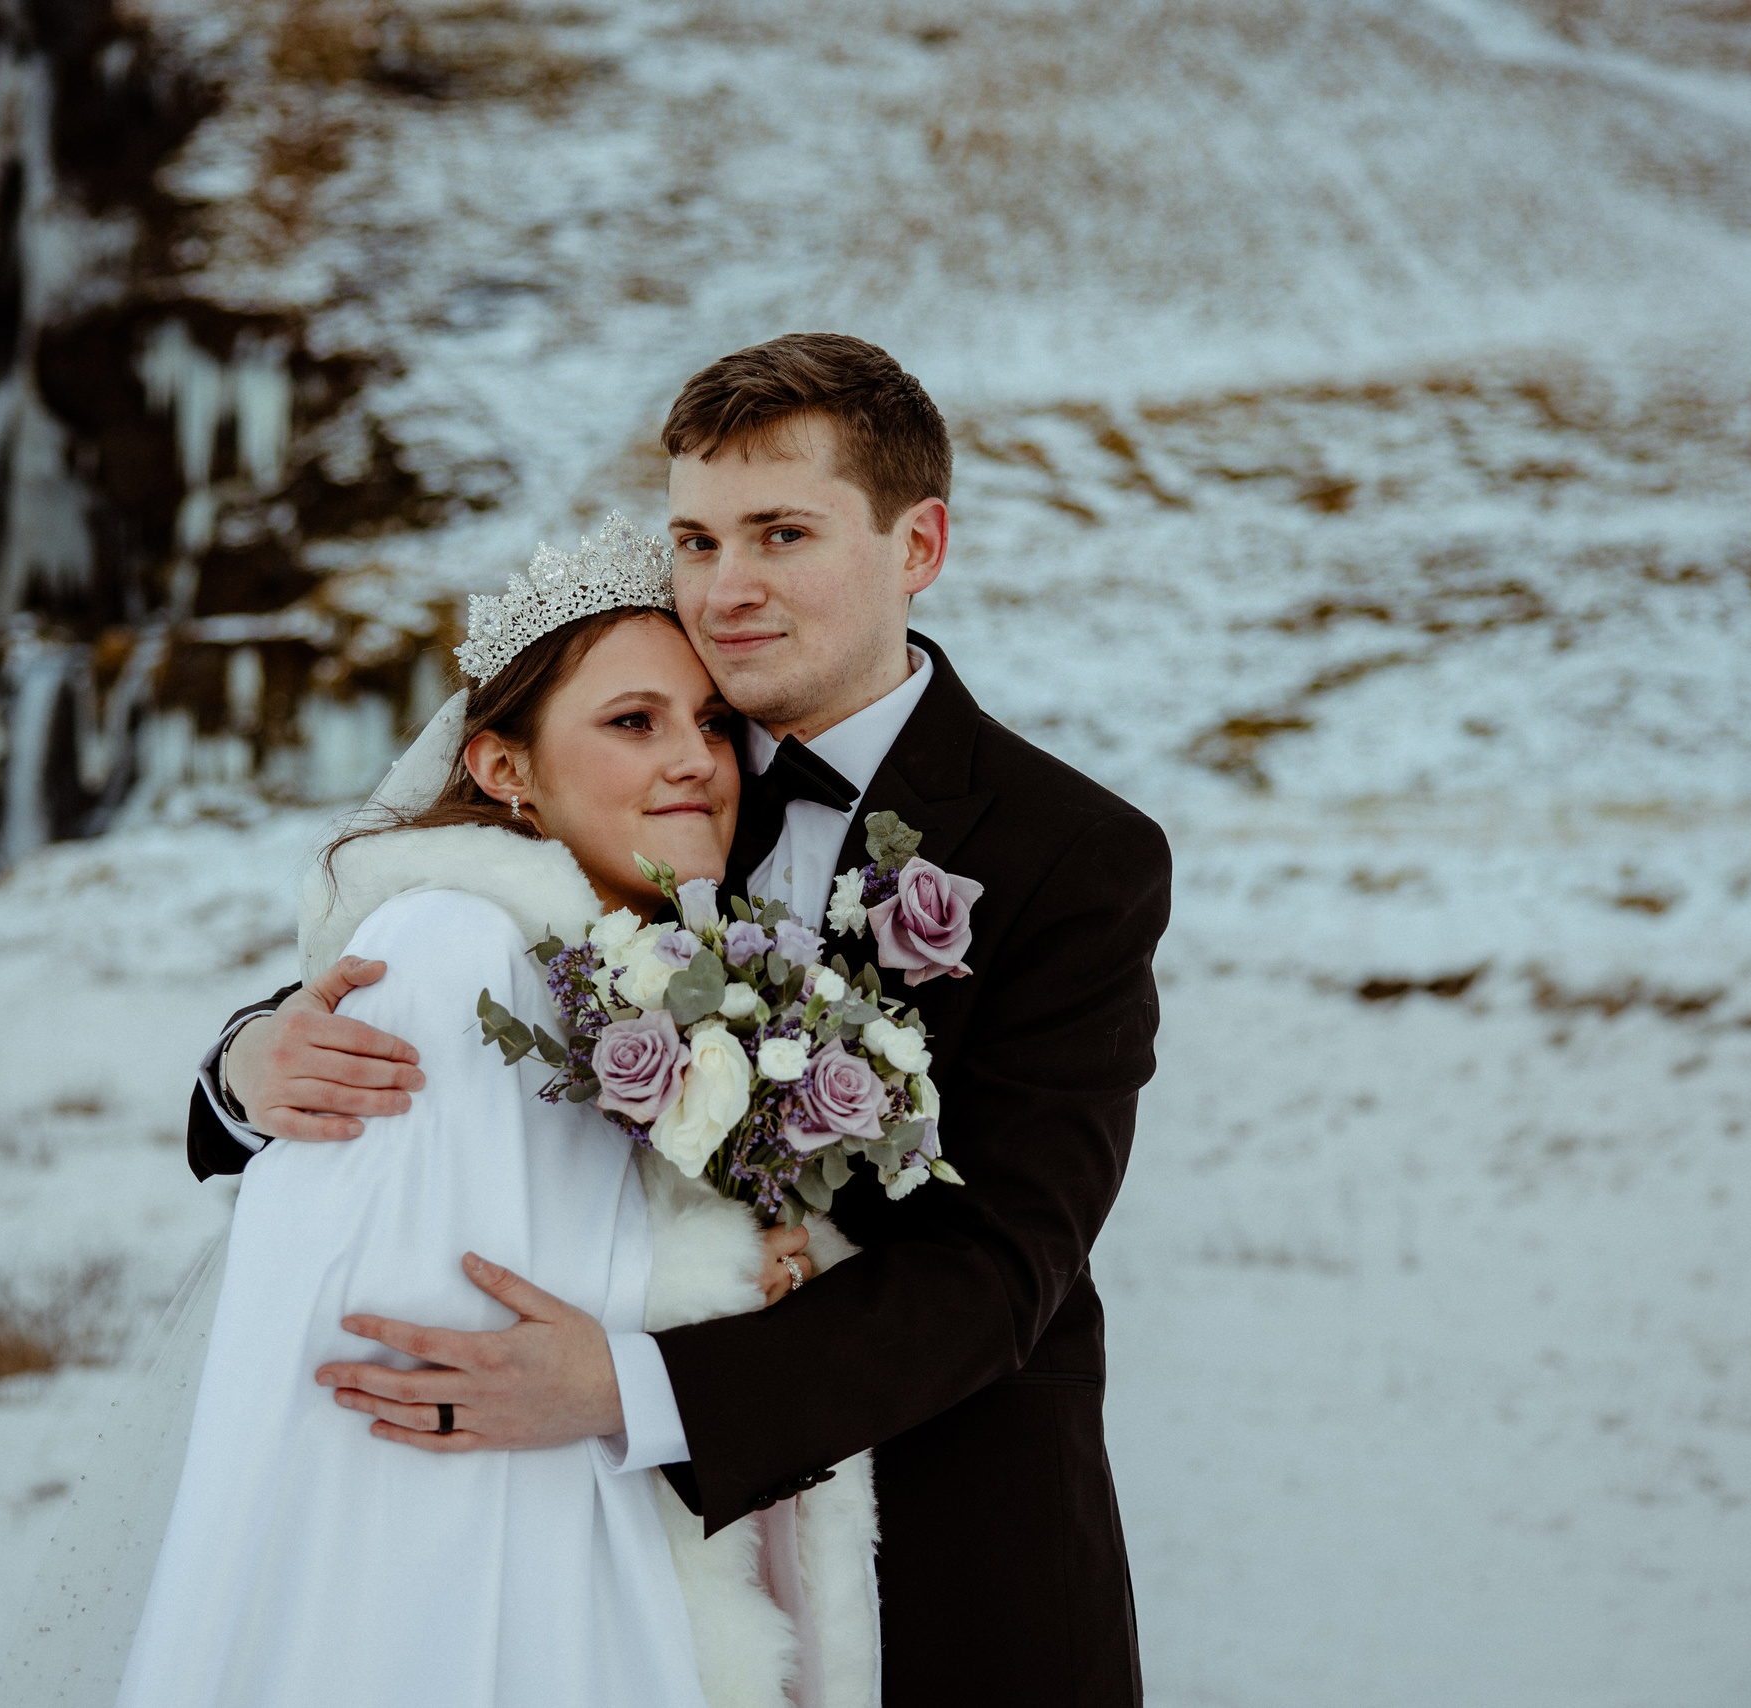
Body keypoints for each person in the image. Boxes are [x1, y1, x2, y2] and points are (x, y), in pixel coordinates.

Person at [195, 333, 1173, 1704]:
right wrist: (248, 1060)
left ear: (920, 544)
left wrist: (630, 1391)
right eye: (697, 538)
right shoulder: (646, 764)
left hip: (954, 1550)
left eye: (783, 533)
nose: (727, 588)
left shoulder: (1077, 855)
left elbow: (1001, 1269)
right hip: (635, 1575)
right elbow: (464, 902)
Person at [114, 519, 877, 1708]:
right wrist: (243, 1058)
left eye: (713, 723)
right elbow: (397, 1372)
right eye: (634, 721)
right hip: (490, 1613)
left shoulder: (650, 965)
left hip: (615, 1569)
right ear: (501, 768)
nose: (696, 760)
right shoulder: (450, 951)